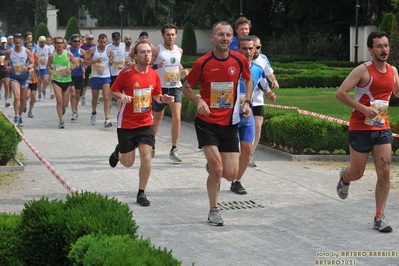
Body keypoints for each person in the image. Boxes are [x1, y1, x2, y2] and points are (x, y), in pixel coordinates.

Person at [182, 21, 253, 226]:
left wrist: (246, 102)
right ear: (213, 37)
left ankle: (213, 165)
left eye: (228, 35)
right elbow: (186, 87)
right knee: (218, 169)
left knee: (231, 174)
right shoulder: (202, 63)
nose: (225, 38)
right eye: (220, 34)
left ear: (233, 39)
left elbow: (247, 80)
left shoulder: (239, 61)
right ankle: (214, 210)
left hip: (229, 123)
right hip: (207, 123)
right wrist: (199, 101)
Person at [335, 31, 399, 233]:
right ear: (370, 50)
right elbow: (340, 93)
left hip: (382, 128)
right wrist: (363, 109)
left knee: (385, 172)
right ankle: (345, 178)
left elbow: (397, 92)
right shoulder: (362, 71)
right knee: (357, 172)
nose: (384, 50)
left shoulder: (393, 71)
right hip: (360, 128)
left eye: (386, 46)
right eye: (379, 46)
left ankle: (379, 216)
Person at [108, 40, 174, 207]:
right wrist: (120, 96)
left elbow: (157, 95)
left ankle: (141, 193)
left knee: (146, 159)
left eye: (149, 52)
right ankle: (118, 152)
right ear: (135, 56)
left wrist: (164, 99)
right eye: (143, 52)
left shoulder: (153, 74)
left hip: (146, 122)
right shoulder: (126, 73)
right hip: (127, 123)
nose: (147, 55)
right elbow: (112, 90)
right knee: (128, 163)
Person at [229, 35, 276, 195]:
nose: (249, 52)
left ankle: (237, 181)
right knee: (232, 152)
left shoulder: (257, 69)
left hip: (247, 114)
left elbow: (263, 84)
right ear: (238, 50)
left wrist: (269, 93)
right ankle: (218, 166)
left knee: (247, 151)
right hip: (230, 115)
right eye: (245, 49)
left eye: (252, 48)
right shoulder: (231, 68)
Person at [151, 23, 190, 162]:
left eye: (173, 34)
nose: (171, 37)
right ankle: (151, 143)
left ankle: (174, 149)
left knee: (177, 118)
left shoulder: (179, 51)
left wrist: (183, 69)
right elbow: (148, 66)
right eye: (168, 34)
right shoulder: (157, 50)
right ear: (163, 35)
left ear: (176, 35)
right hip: (160, 88)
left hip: (175, 87)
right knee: (158, 118)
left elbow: (177, 63)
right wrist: (156, 66)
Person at [250, 35, 280, 167]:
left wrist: (272, 85)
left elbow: (266, 76)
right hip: (241, 102)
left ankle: (249, 154)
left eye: (258, 47)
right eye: (253, 47)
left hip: (257, 100)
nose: (256, 50)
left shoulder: (263, 60)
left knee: (257, 128)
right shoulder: (241, 61)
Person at [4, 33, 35, 126]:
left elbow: (33, 63)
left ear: (22, 42)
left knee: (23, 99)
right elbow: (5, 60)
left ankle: (20, 116)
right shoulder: (9, 52)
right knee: (17, 97)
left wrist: (28, 67)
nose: (18, 45)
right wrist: (7, 66)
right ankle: (16, 115)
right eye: (16, 43)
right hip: (14, 77)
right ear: (13, 42)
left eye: (19, 43)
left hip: (24, 78)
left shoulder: (26, 51)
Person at [46, 36, 77, 129]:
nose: (59, 45)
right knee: (59, 101)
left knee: (65, 104)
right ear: (55, 44)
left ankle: (63, 108)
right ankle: (61, 121)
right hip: (57, 80)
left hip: (67, 81)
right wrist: (50, 70)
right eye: (58, 43)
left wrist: (71, 69)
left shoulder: (68, 54)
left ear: (64, 44)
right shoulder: (52, 56)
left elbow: (75, 63)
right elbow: (48, 65)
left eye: (61, 43)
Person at [86, 33, 113, 127]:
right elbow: (85, 62)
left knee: (106, 97)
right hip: (95, 77)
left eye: (105, 42)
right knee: (95, 98)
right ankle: (93, 112)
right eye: (101, 42)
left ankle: (107, 119)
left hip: (105, 76)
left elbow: (111, 60)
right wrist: (95, 61)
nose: (103, 44)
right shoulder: (92, 50)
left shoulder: (109, 50)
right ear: (98, 41)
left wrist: (111, 61)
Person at [69, 34, 87, 122]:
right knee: (72, 93)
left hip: (79, 75)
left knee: (77, 95)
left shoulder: (82, 51)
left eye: (78, 41)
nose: (77, 43)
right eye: (75, 41)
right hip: (70, 75)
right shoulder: (67, 51)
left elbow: (87, 62)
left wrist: (83, 62)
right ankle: (74, 111)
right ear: (71, 42)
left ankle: (75, 108)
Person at [81, 33, 96, 106]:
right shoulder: (83, 47)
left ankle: (95, 97)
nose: (91, 40)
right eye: (89, 39)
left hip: (93, 65)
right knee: (85, 82)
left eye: (92, 39)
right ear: (86, 39)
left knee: (95, 80)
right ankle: (83, 96)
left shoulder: (95, 46)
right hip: (86, 65)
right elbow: (82, 57)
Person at [25, 41, 39, 118]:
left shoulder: (35, 55)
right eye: (28, 46)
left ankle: (30, 111)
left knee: (33, 96)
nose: (29, 47)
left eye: (31, 46)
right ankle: (24, 104)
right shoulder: (23, 55)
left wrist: (36, 68)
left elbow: (37, 66)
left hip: (33, 78)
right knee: (26, 96)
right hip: (24, 78)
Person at [36, 36, 52, 100]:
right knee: (39, 80)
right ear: (39, 42)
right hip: (38, 66)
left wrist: (50, 65)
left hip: (45, 66)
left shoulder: (48, 47)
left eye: (43, 42)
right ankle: (39, 94)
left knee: (46, 80)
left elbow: (50, 56)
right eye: (41, 42)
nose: (42, 43)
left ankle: (44, 89)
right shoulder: (36, 47)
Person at [0, 37, 11, 108]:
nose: (4, 44)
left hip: (6, 70)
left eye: (5, 42)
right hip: (0, 69)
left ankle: (7, 100)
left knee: (7, 84)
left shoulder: (8, 50)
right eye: (2, 43)